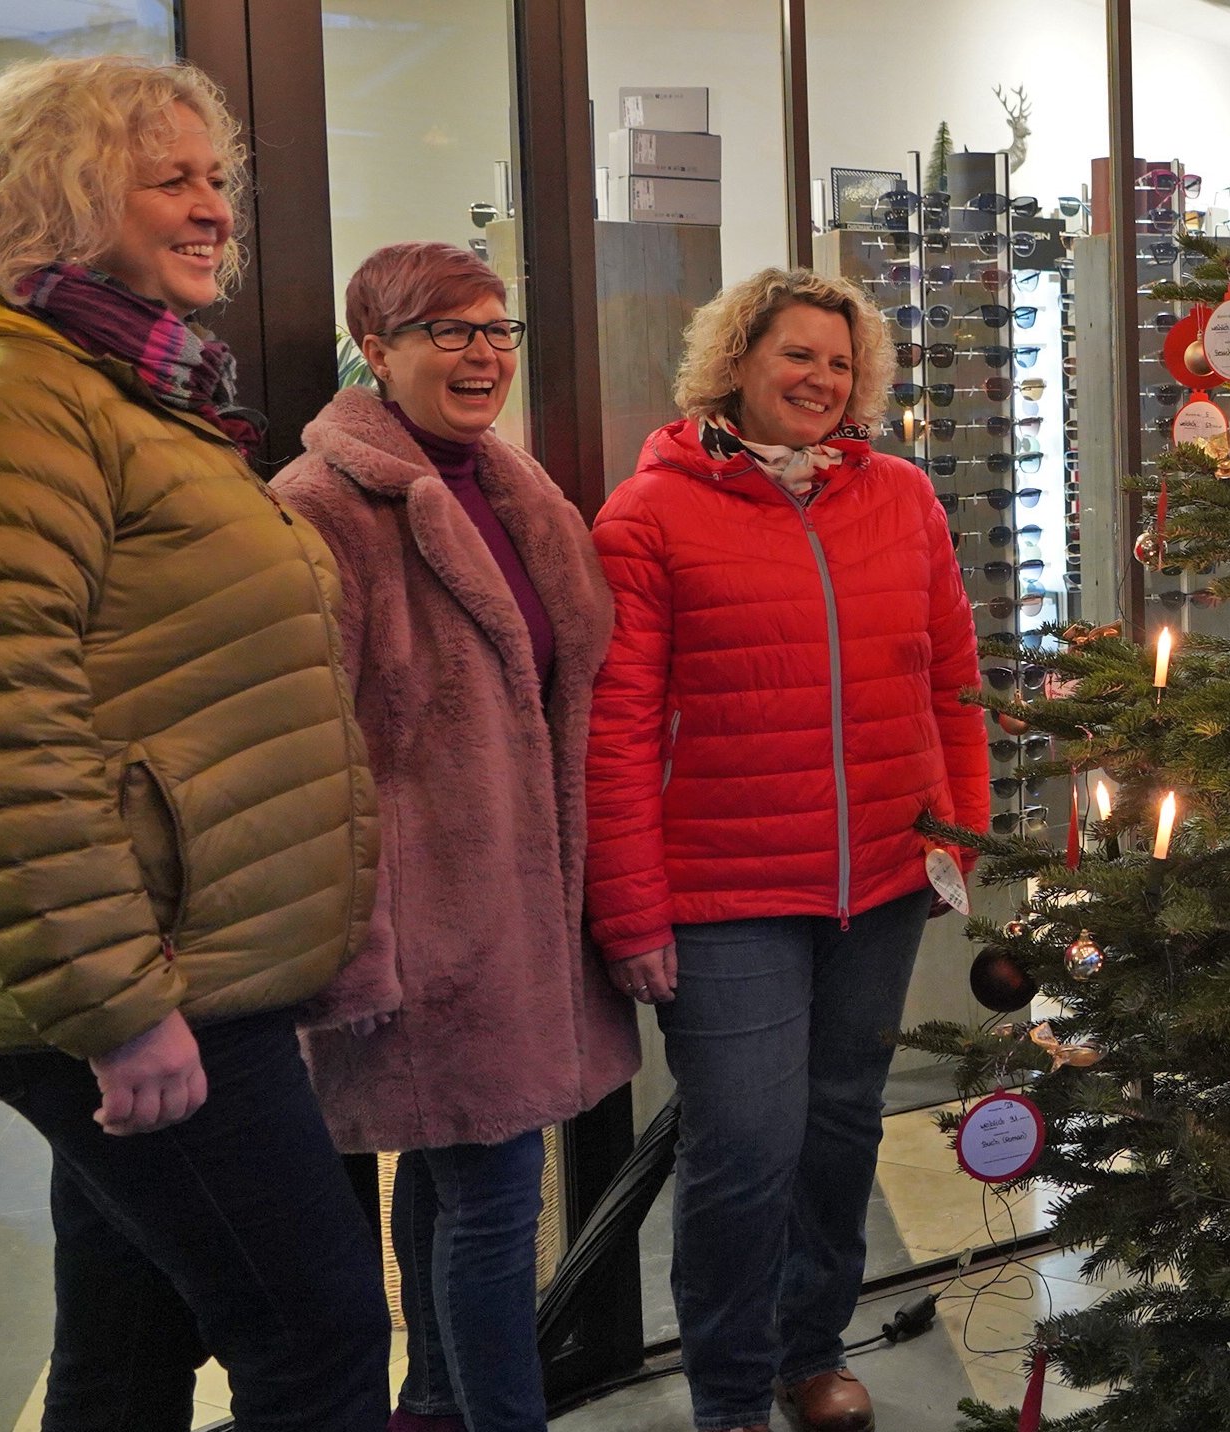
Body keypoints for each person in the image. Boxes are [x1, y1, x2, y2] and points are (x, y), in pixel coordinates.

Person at [0, 55, 387, 1432]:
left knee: (127, 1347)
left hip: (183, 969)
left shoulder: (133, 394)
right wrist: (121, 1006)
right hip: (147, 989)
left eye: (219, 182)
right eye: (172, 181)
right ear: (64, 200)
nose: (215, 211)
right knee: (317, 1339)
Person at [583, 269, 987, 1432]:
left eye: (840, 361)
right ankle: (726, 1389)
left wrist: (957, 832)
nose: (820, 379)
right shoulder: (648, 515)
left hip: (882, 879)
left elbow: (952, 679)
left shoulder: (901, 497)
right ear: (734, 365)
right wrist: (630, 907)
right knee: (744, 1144)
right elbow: (614, 734)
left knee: (841, 1124)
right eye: (796, 355)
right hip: (725, 890)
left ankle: (811, 1349)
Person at [274, 241, 638, 1432]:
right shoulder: (321, 508)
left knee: (450, 1174)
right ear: (374, 352)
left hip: (520, 915)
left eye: (497, 329)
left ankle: (434, 1402)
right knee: (491, 1201)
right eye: (449, 331)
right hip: (425, 926)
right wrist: (362, 942)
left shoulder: (509, 485)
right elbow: (311, 750)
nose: (483, 353)